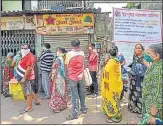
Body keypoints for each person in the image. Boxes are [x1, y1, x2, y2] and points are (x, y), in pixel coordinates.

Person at [139, 43, 163, 124]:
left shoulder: (159, 69)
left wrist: (153, 114)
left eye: (149, 53)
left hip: (154, 111)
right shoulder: (156, 64)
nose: (146, 55)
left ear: (157, 55)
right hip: (149, 105)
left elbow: (158, 93)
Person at [65, 39, 87, 120]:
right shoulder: (82, 53)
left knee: (74, 95)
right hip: (81, 76)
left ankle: (75, 113)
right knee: (82, 93)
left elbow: (66, 65)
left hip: (72, 77)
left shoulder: (69, 54)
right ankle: (84, 108)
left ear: (72, 45)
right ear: (79, 45)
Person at [101, 47, 123, 123]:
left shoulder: (112, 62)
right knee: (113, 99)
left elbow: (106, 71)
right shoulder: (115, 61)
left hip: (112, 85)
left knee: (112, 100)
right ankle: (109, 111)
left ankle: (115, 117)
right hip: (114, 84)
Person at [17, 44, 40, 114]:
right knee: (29, 89)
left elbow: (29, 68)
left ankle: (29, 107)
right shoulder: (25, 54)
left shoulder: (30, 56)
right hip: (24, 75)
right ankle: (36, 100)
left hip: (26, 77)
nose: (24, 49)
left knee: (28, 92)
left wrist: (24, 78)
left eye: (25, 48)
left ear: (29, 49)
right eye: (22, 48)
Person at [128, 44, 147, 114]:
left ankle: (140, 110)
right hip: (133, 78)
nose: (138, 49)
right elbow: (133, 65)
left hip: (140, 79)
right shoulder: (134, 56)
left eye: (139, 48)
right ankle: (133, 108)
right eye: (136, 48)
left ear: (142, 49)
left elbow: (146, 67)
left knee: (139, 94)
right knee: (133, 92)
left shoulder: (144, 57)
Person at [49, 47, 68, 113]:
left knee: (57, 92)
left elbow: (54, 68)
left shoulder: (58, 59)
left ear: (61, 52)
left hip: (58, 77)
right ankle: (61, 106)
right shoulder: (63, 58)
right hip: (62, 78)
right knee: (62, 92)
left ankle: (56, 107)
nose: (57, 52)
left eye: (58, 51)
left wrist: (52, 76)